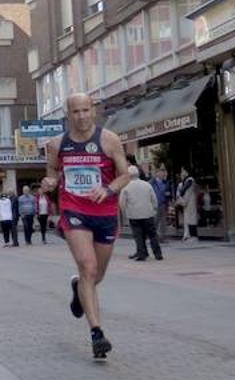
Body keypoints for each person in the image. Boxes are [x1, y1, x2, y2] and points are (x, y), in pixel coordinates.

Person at [41, 94, 131, 359]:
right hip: (75, 210)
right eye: (75, 112)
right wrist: (50, 183)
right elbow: (52, 173)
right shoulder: (57, 144)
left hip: (104, 212)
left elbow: (125, 173)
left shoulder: (109, 139)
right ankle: (97, 334)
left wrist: (108, 188)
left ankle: (77, 288)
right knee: (88, 266)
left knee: (96, 276)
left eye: (85, 110)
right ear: (68, 114)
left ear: (93, 111)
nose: (81, 116)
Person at [120, 166, 162, 262]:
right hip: (148, 213)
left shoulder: (126, 187)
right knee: (152, 235)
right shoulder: (147, 185)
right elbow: (154, 199)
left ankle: (142, 254)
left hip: (133, 214)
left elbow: (122, 203)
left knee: (138, 235)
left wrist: (125, 213)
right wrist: (154, 209)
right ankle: (158, 254)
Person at [176, 167, 199, 240]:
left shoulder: (189, 181)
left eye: (183, 171)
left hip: (189, 204)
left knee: (191, 219)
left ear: (187, 172)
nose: (181, 173)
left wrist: (180, 201)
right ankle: (188, 235)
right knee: (188, 220)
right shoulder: (184, 182)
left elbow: (186, 193)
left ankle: (193, 236)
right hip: (187, 204)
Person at [151, 167, 171, 239]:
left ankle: (162, 237)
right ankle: (153, 237)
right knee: (155, 221)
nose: (163, 174)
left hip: (163, 204)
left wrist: (168, 196)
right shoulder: (152, 183)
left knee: (163, 222)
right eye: (161, 172)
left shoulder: (165, 182)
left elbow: (168, 193)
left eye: (163, 172)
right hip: (155, 205)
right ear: (157, 173)